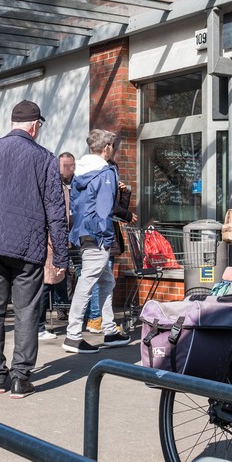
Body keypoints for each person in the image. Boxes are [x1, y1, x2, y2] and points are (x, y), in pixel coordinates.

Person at [0, 100, 69, 399]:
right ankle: (21, 378)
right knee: (26, 312)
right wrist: (61, 256)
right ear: (35, 126)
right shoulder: (45, 158)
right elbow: (56, 211)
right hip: (28, 245)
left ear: (12, 123)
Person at [62, 130, 132, 354]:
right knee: (87, 283)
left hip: (83, 232)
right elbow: (105, 208)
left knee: (106, 281)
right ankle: (73, 335)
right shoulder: (106, 172)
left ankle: (110, 330)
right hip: (98, 235)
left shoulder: (81, 170)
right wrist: (106, 236)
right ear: (107, 148)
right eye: (113, 146)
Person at [83, 158, 136, 334]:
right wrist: (128, 215)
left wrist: (125, 193)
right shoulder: (101, 184)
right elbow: (112, 210)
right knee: (101, 280)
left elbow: (118, 211)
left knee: (104, 280)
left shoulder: (108, 185)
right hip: (101, 238)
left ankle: (99, 319)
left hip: (109, 239)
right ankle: (96, 319)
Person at [38, 152, 75, 340]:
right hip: (50, 241)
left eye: (71, 165)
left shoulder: (72, 186)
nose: (68, 169)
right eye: (65, 165)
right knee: (45, 283)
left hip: (60, 240)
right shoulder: (53, 185)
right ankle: (39, 326)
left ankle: (43, 323)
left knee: (54, 282)